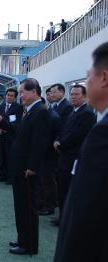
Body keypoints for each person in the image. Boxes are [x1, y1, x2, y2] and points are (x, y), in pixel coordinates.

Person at [54, 42, 108, 262]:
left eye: (88, 76)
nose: (87, 82)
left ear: (103, 78)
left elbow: (85, 215)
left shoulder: (103, 134)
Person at [0, 78, 51, 255]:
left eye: (22, 92)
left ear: (33, 92)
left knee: (27, 207)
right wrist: (1, 122)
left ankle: (29, 245)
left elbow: (40, 143)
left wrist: (32, 166)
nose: (20, 96)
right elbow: (20, 133)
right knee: (21, 206)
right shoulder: (31, 110)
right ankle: (23, 238)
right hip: (21, 167)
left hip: (27, 170)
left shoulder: (40, 111)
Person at [51, 85, 96, 226]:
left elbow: (76, 135)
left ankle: (68, 218)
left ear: (85, 96)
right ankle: (63, 216)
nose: (73, 97)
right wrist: (57, 140)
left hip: (73, 157)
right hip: (65, 156)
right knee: (63, 188)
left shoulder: (87, 113)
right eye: (72, 94)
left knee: (69, 189)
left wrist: (60, 144)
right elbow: (64, 130)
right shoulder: (74, 112)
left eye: (77, 94)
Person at [37, 87, 61, 216]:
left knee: (48, 181)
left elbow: (52, 136)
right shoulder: (48, 114)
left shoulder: (52, 116)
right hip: (44, 154)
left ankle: (49, 206)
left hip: (49, 155)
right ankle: (44, 204)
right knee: (43, 181)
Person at [0, 88, 23, 183]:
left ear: (15, 97)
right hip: (1, 136)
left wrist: (5, 128)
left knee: (10, 157)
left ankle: (10, 178)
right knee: (2, 156)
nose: (9, 97)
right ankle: (2, 175)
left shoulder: (18, 107)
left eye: (12, 96)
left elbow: (17, 122)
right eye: (8, 95)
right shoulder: (1, 106)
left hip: (11, 136)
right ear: (5, 96)